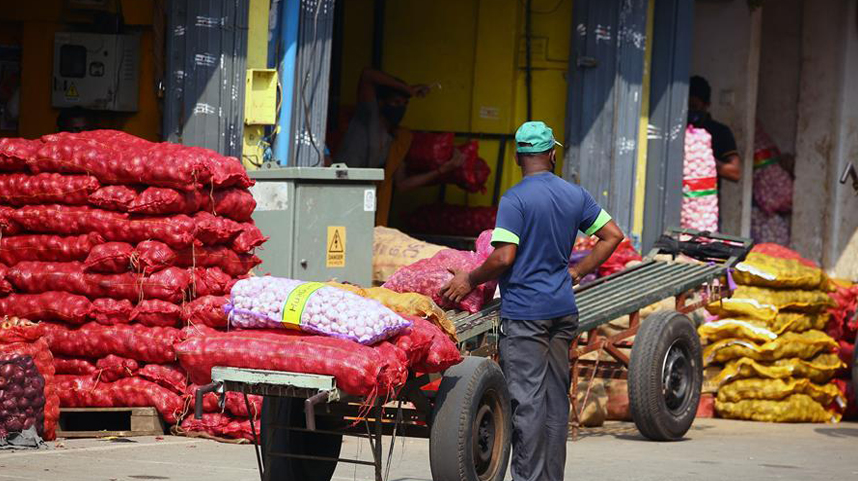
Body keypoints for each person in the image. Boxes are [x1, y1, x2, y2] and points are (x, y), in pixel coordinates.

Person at [441, 121, 623, 481]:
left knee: (526, 403)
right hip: (562, 311)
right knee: (555, 403)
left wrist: (470, 278)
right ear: (552, 154)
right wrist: (577, 272)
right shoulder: (575, 195)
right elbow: (612, 236)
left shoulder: (516, 198)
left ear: (517, 156)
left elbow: (504, 257)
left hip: (525, 316)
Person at [335, 68, 464, 226]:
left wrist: (442, 170)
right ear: (381, 103)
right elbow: (367, 75)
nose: (401, 108)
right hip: (338, 191)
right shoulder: (368, 115)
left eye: (404, 104)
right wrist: (408, 89)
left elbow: (402, 183)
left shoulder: (396, 139)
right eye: (396, 102)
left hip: (362, 206)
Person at [688, 75, 741, 182]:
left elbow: (735, 173)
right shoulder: (676, 130)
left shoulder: (719, 132)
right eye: (687, 106)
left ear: (707, 105)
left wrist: (703, 159)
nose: (690, 111)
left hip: (702, 197)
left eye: (694, 106)